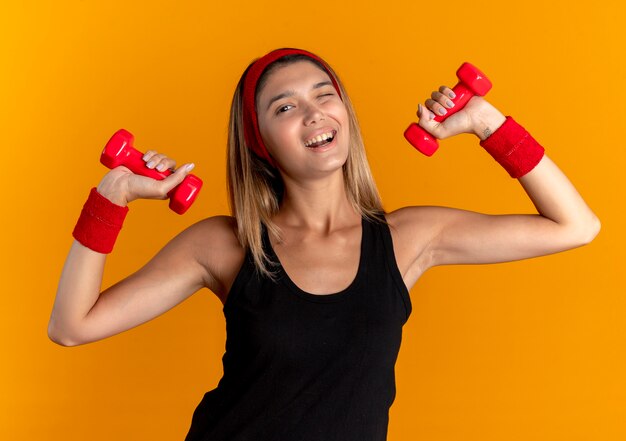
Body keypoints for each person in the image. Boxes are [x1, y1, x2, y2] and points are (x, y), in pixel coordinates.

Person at [48, 48, 600, 440]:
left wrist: (486, 122)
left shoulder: (409, 238)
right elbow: (73, 327)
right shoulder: (225, 243)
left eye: (323, 95)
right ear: (259, 143)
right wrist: (111, 196)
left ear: (344, 116)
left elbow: (574, 226)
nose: (313, 112)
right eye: (284, 107)